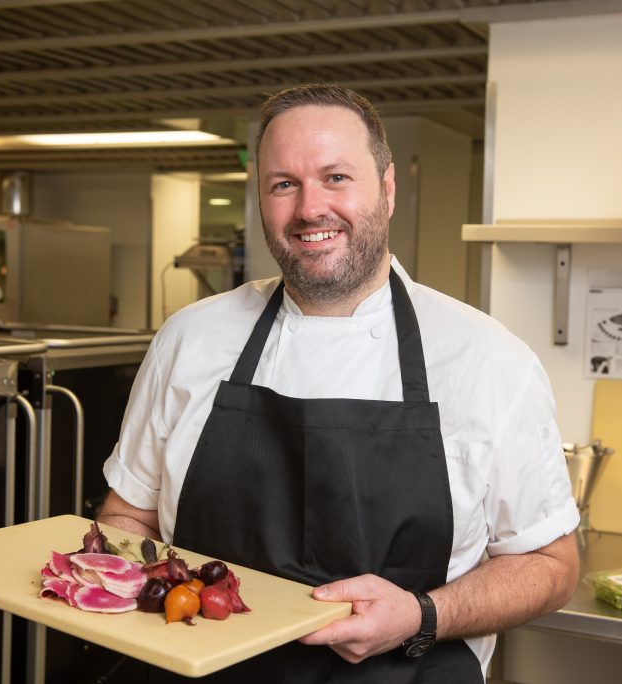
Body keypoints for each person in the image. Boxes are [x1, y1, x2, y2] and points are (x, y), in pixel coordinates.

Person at [98, 83, 580, 682]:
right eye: (283, 184)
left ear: (387, 188)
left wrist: (423, 613)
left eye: (336, 177)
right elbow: (129, 517)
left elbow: (551, 564)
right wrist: (111, 583)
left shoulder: (487, 359)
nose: (309, 209)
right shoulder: (189, 339)